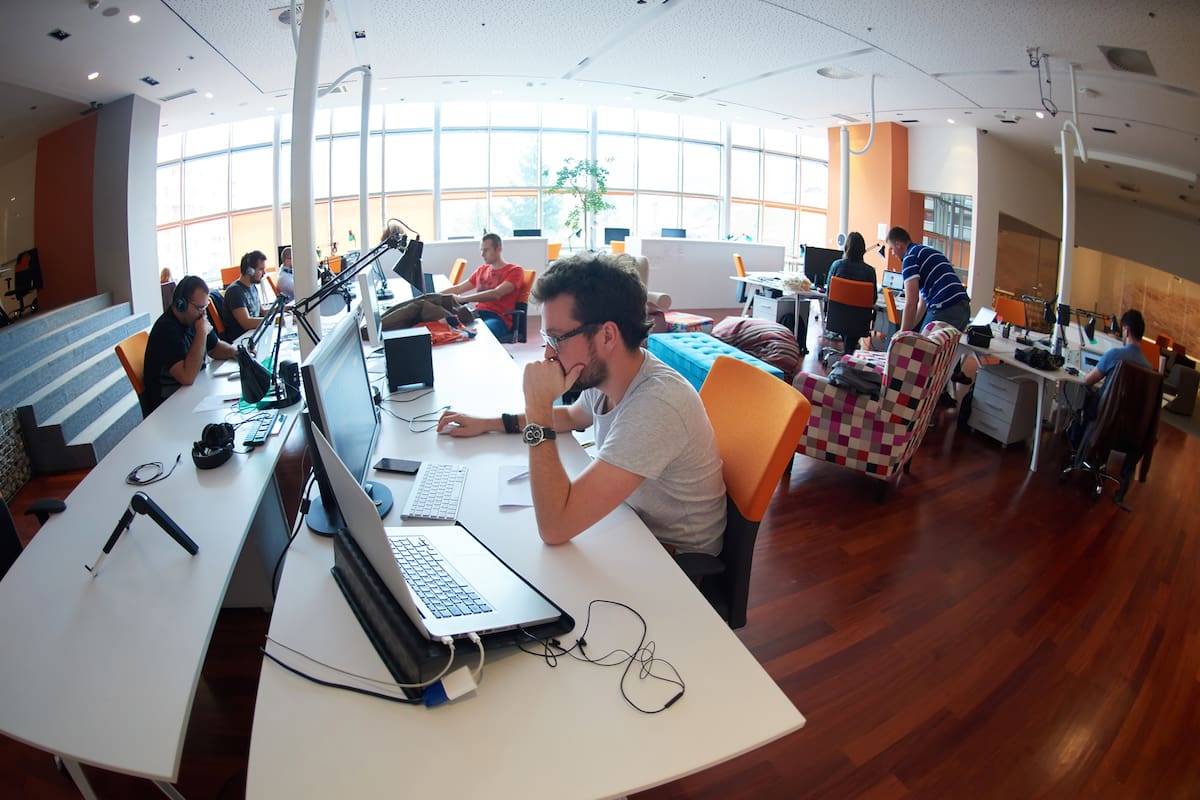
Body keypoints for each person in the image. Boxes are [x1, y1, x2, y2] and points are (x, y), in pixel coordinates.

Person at [437, 252, 727, 556]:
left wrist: (538, 409)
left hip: (672, 560)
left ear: (607, 335)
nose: (548, 354)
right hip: (630, 524)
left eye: (556, 339)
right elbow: (572, 417)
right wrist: (488, 423)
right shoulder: (609, 374)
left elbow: (555, 527)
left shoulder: (657, 404)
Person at [142, 275, 236, 417]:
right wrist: (201, 332)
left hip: (191, 395)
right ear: (181, 304)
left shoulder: (194, 319)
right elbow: (187, 377)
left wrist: (237, 352)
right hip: (167, 409)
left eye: (205, 307)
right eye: (199, 308)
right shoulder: (166, 330)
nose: (203, 313)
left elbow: (215, 347)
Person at [1067, 309, 1151, 448]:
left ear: (1127, 331)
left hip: (1104, 413)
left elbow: (1088, 380)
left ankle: (1078, 445)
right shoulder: (1148, 367)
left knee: (1086, 398)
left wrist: (1087, 373)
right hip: (1127, 425)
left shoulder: (1115, 355)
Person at [887, 226, 971, 333]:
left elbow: (911, 302)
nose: (892, 253)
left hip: (944, 307)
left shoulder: (910, 258)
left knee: (923, 343)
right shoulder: (924, 252)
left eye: (891, 248)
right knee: (940, 344)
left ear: (898, 245)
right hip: (964, 309)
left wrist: (902, 333)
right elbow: (922, 303)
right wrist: (908, 330)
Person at [443, 233, 525, 340]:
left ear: (498, 249)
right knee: (444, 323)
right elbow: (459, 288)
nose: (482, 254)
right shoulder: (482, 270)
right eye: (481, 250)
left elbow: (496, 294)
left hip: (498, 318)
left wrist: (463, 299)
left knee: (480, 335)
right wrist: (433, 295)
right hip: (477, 315)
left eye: (486, 250)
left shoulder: (515, 271)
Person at [221, 250, 268, 341]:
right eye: (261, 269)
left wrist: (284, 309)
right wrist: (274, 321)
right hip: (242, 340)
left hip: (254, 334)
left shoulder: (252, 287)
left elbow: (262, 312)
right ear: (250, 271)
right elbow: (247, 323)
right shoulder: (234, 291)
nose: (264, 273)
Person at [827, 231, 877, 302]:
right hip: (860, 309)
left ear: (846, 248)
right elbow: (873, 299)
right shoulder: (870, 272)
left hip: (837, 309)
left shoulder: (836, 266)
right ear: (863, 250)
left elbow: (828, 293)